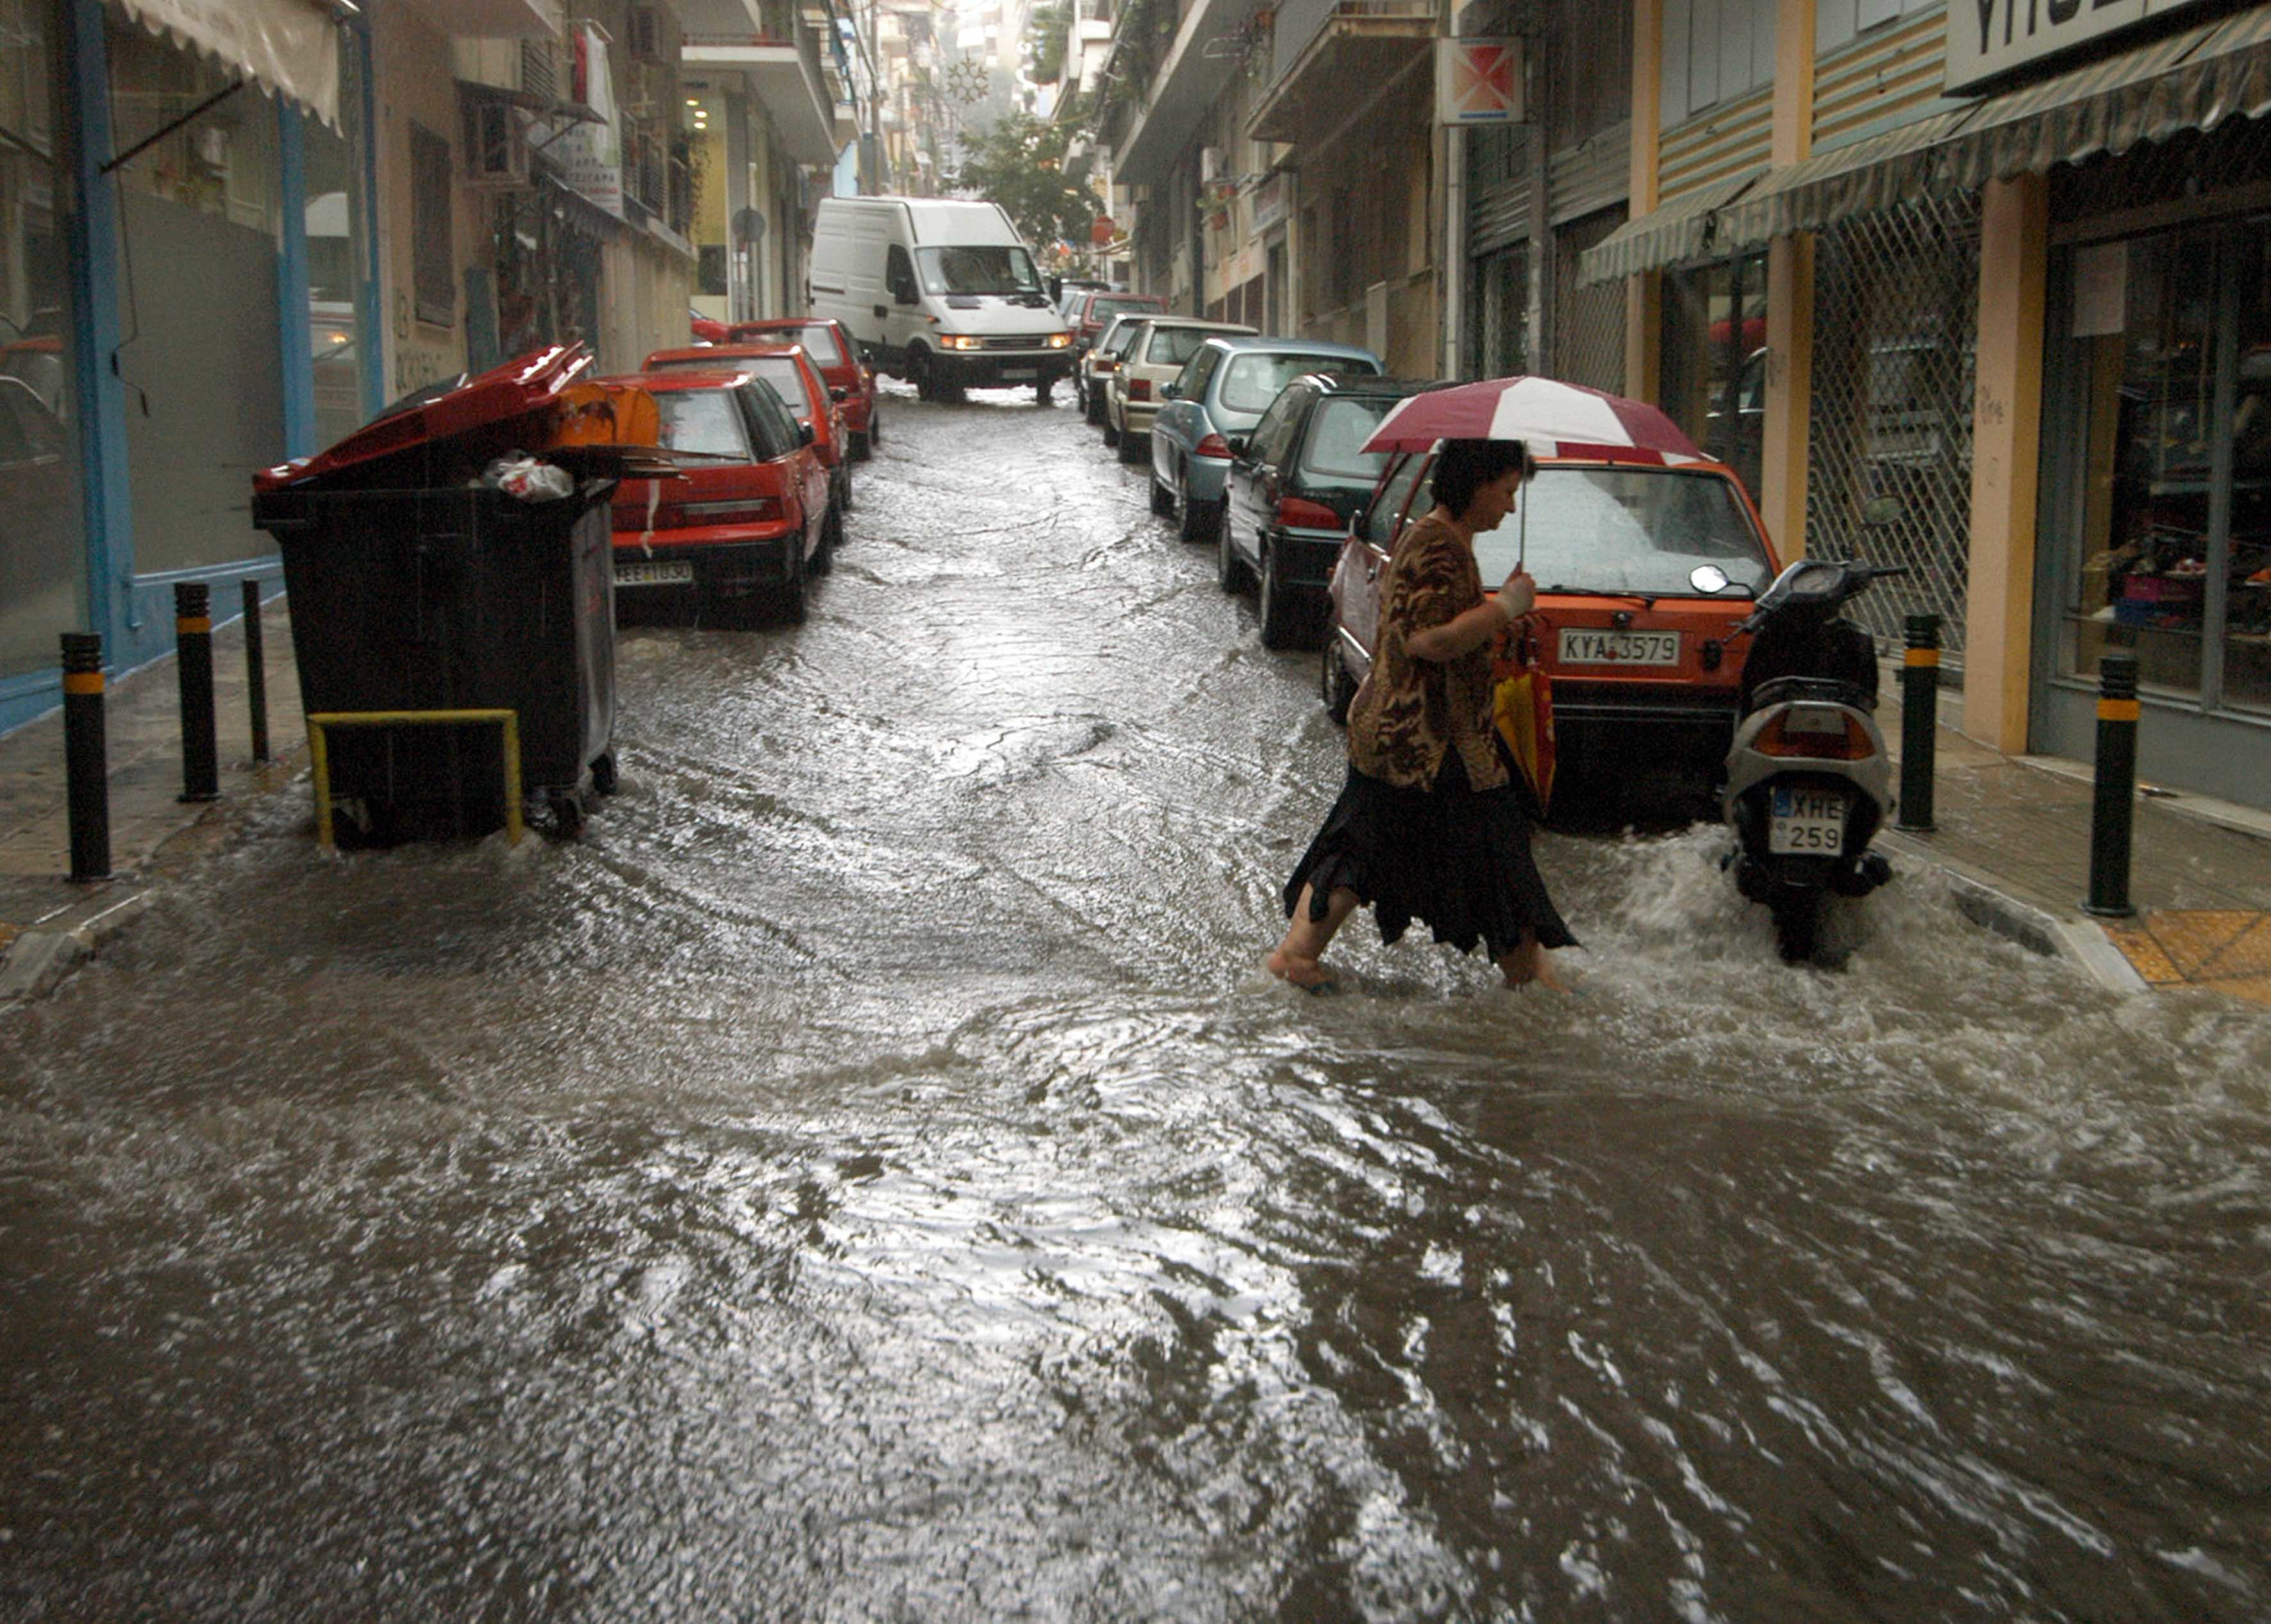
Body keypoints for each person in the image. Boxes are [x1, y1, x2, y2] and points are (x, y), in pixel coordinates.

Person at [1267, 438, 1575, 992]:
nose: (1510, 506)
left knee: (1360, 841)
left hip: (1406, 738)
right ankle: (1532, 983)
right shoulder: (1437, 546)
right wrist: (1504, 607)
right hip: (1429, 743)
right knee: (1498, 856)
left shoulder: (1443, 539)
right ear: (1478, 484)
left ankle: (1297, 957)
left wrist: (1496, 625)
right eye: (1507, 492)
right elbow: (1428, 642)